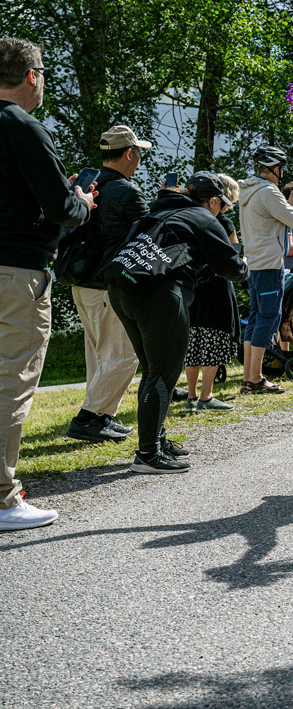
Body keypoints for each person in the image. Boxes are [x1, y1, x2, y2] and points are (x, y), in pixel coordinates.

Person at [0, 37, 95, 530]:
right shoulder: (20, 125)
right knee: (10, 381)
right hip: (15, 271)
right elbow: (61, 207)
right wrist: (81, 201)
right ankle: (1, 497)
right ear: (32, 75)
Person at [107, 175, 249, 474]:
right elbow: (232, 269)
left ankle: (155, 439)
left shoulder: (157, 213)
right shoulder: (202, 217)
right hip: (159, 295)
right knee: (162, 375)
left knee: (152, 371)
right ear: (213, 201)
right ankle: (148, 454)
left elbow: (182, 260)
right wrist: (243, 261)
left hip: (121, 288)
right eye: (222, 206)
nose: (221, 212)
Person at [64, 124, 153, 443]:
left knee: (100, 354)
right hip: (106, 285)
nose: (140, 157)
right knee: (125, 354)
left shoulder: (86, 183)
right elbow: (149, 236)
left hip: (81, 281)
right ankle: (88, 418)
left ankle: (101, 415)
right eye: (139, 151)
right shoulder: (127, 192)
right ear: (130, 153)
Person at [238, 145, 293, 394]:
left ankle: (248, 377)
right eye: (281, 168)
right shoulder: (268, 191)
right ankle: (255, 379)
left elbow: (278, 217)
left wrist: (290, 201)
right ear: (275, 168)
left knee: (255, 320)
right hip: (270, 265)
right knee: (268, 319)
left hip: (255, 264)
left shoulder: (250, 191)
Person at [184, 174, 242, 412]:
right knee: (215, 338)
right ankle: (206, 397)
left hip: (194, 287)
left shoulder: (189, 221)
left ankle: (191, 396)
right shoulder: (224, 224)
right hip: (217, 286)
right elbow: (234, 255)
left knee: (194, 340)